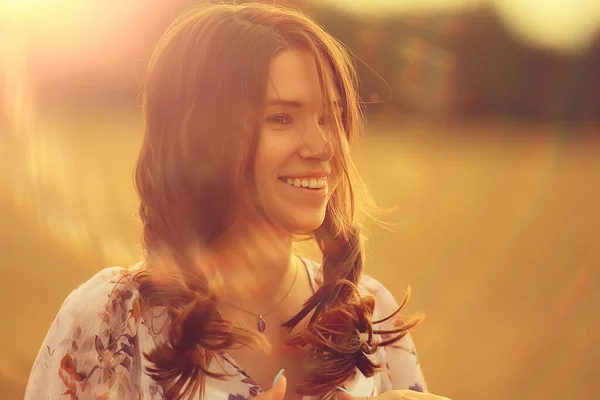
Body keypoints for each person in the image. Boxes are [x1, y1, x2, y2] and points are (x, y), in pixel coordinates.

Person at [25, 3, 450, 400]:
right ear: (199, 141)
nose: (323, 146)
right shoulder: (113, 321)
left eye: (330, 116)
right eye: (281, 118)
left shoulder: (372, 317)